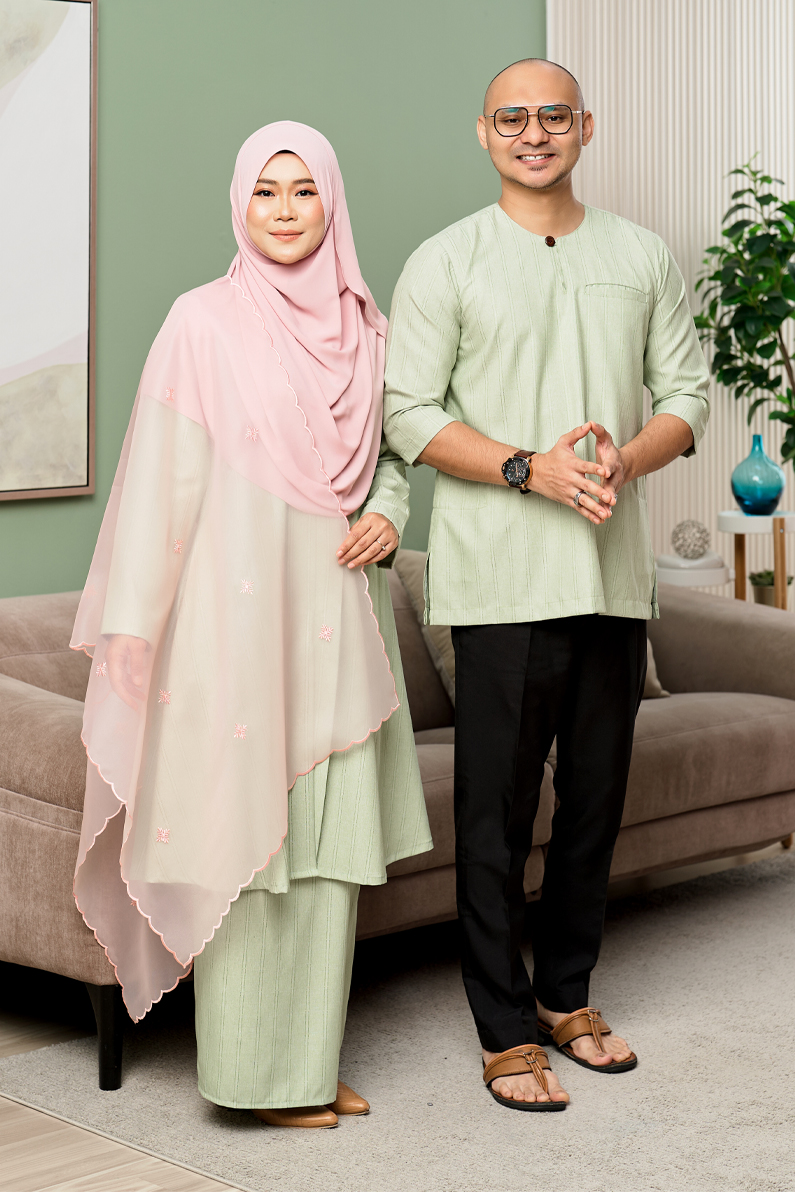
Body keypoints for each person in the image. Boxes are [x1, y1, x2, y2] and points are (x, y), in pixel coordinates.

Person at [70, 122, 431, 1129]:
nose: (283, 210)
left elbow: (393, 453)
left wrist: (389, 510)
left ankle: (304, 1065)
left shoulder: (367, 328)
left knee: (324, 857)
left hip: (339, 619)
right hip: (233, 626)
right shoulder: (203, 322)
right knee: (250, 845)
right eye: (265, 190)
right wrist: (133, 623)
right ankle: (251, 1080)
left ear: (332, 203)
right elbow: (159, 479)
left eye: (304, 190)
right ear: (239, 202)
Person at [383, 58, 709, 1111]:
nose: (534, 133)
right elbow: (407, 411)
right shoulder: (446, 260)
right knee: (494, 816)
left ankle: (567, 997)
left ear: (585, 127)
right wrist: (531, 467)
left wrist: (624, 459)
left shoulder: (640, 254)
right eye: (513, 118)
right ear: (484, 134)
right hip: (496, 584)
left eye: (553, 116)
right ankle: (503, 1029)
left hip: (610, 580)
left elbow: (687, 394)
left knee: (594, 807)